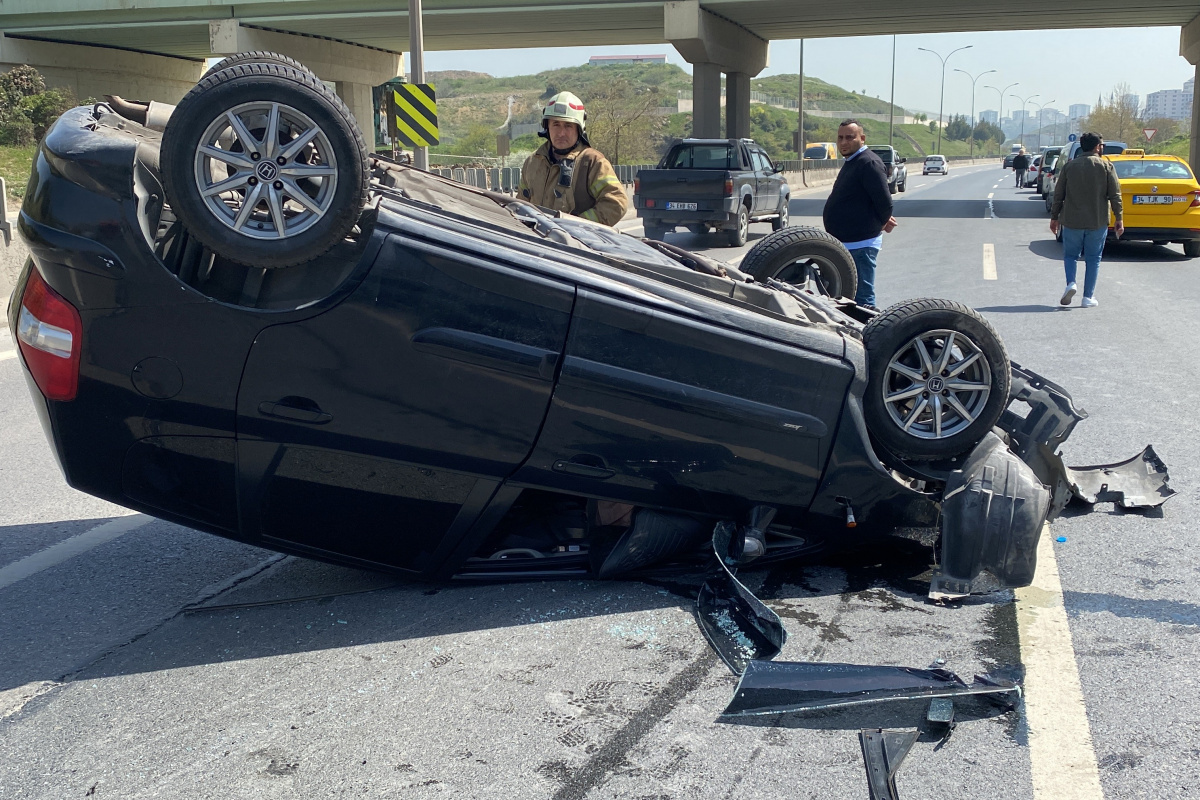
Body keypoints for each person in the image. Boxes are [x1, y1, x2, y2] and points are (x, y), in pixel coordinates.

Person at [517, 91, 628, 227]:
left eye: (568, 125)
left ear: (579, 129)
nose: (561, 133)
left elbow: (616, 203)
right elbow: (521, 206)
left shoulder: (592, 162)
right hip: (538, 244)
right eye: (556, 124)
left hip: (577, 245)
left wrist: (578, 225)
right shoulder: (532, 162)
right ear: (547, 127)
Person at [822, 119, 897, 309]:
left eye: (850, 137)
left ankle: (867, 335)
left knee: (863, 300)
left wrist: (877, 224)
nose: (844, 142)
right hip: (845, 244)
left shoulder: (869, 162)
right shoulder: (853, 161)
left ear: (861, 138)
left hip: (861, 246)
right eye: (840, 138)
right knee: (845, 299)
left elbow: (885, 203)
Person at [1049, 132, 1123, 308]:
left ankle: (1071, 283)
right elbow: (1115, 194)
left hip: (1072, 220)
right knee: (1093, 258)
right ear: (1098, 147)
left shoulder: (1070, 167)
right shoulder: (1107, 167)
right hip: (1097, 221)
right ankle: (1088, 297)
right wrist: (1119, 217)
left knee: (1070, 255)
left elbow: (1059, 194)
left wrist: (1054, 217)